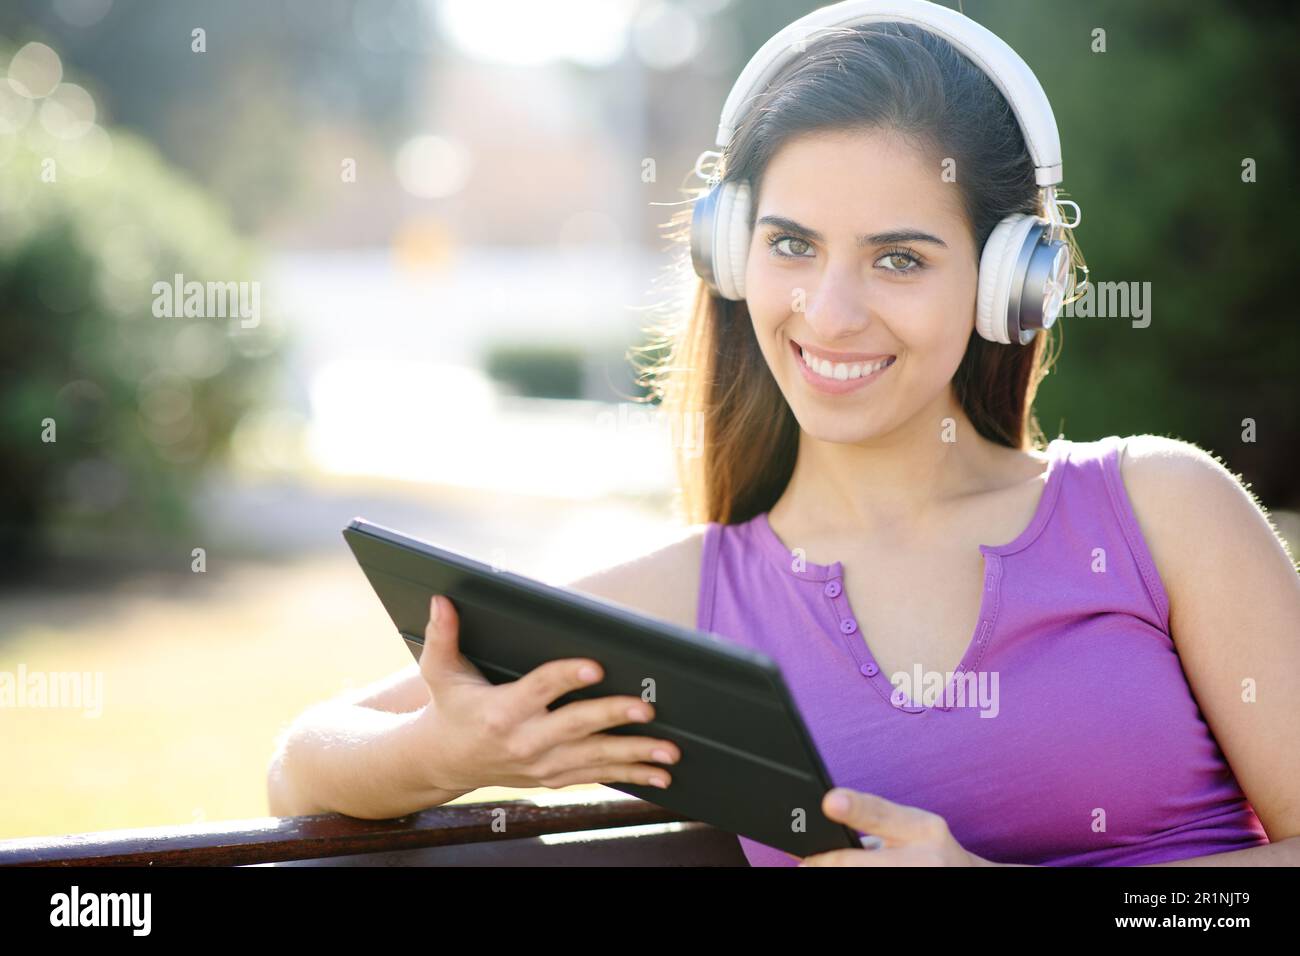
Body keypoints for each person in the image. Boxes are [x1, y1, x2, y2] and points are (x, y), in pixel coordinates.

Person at [268, 1, 1300, 866]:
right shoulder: (691, 598)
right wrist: (448, 753)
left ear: (1005, 284)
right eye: (792, 244)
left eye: (899, 258)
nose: (830, 310)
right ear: (730, 255)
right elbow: (302, 757)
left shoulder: (1159, 509)